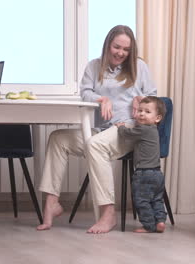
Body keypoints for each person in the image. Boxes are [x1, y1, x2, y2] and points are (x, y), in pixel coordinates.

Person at [37, 25, 157, 234]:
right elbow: (85, 92)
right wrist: (101, 98)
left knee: (95, 144)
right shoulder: (94, 66)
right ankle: (52, 203)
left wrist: (143, 101)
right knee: (58, 138)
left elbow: (155, 99)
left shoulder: (140, 67)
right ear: (108, 45)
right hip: (100, 129)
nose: (120, 53)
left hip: (127, 129)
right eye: (116, 47)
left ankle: (108, 213)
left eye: (126, 49)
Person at [115, 96, 167, 233]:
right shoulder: (153, 131)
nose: (142, 114)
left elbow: (127, 134)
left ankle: (149, 225)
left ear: (157, 118)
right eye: (140, 110)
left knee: (141, 200)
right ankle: (160, 221)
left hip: (144, 173)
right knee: (157, 199)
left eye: (147, 112)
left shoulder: (144, 129)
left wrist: (121, 127)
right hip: (157, 173)